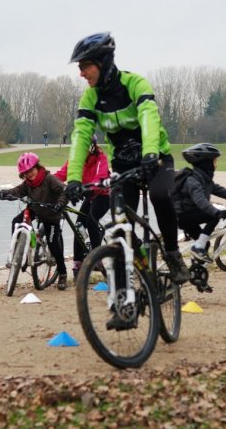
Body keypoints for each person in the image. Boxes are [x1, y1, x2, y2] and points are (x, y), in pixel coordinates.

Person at [64, 31, 190, 284]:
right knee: (120, 217)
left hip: (156, 158)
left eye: (85, 66)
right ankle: (136, 266)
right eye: (79, 67)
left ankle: (173, 254)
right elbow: (81, 136)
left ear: (103, 62)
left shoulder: (135, 84)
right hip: (123, 163)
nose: (81, 73)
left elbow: (149, 118)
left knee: (160, 195)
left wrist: (150, 153)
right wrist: (73, 179)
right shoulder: (91, 97)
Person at [0, 152, 70, 290]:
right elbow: (17, 191)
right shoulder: (27, 184)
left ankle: (63, 273)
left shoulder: (49, 179)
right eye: (25, 173)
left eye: (31, 170)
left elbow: (64, 192)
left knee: (54, 244)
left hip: (51, 214)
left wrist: (60, 204)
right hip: (35, 209)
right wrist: (5, 193)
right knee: (16, 221)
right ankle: (19, 252)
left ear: (37, 166)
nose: (29, 174)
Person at [172, 143, 226, 263]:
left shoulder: (204, 179)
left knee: (204, 244)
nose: (216, 164)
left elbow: (223, 192)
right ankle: (197, 248)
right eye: (214, 161)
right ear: (206, 163)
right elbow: (201, 201)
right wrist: (216, 212)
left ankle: (197, 272)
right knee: (211, 217)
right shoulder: (192, 180)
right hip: (182, 216)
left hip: (189, 214)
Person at [54, 133, 111, 278]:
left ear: (92, 147)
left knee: (91, 221)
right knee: (78, 226)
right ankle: (77, 263)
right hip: (88, 195)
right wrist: (47, 182)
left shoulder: (100, 159)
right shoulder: (76, 160)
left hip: (103, 195)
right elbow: (62, 173)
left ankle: (97, 258)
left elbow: (100, 177)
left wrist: (85, 189)